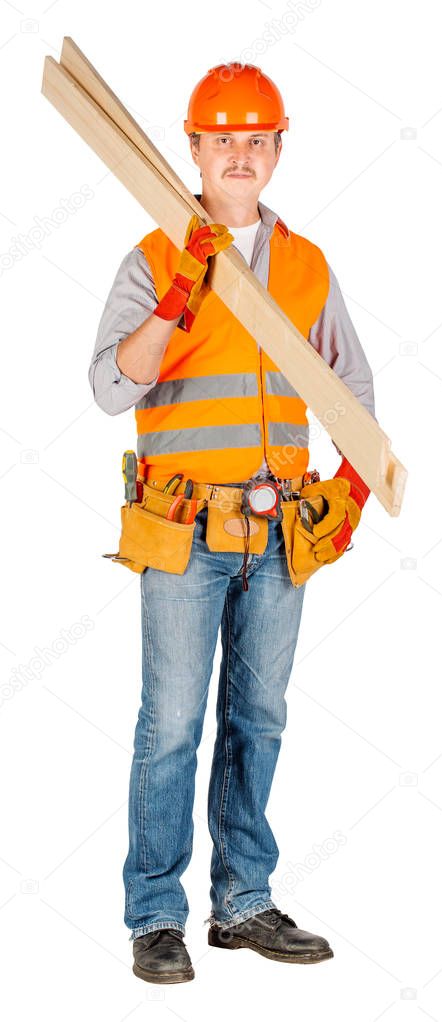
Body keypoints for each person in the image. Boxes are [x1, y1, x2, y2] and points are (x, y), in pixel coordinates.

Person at [89, 62, 376, 984]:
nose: (241, 154)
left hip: (282, 534)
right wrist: (176, 298)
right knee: (170, 723)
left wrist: (355, 490)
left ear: (279, 148)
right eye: (224, 139)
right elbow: (109, 386)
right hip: (184, 532)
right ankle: (154, 914)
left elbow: (350, 387)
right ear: (195, 148)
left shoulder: (305, 265)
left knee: (260, 716)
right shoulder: (155, 255)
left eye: (257, 139)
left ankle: (243, 901)